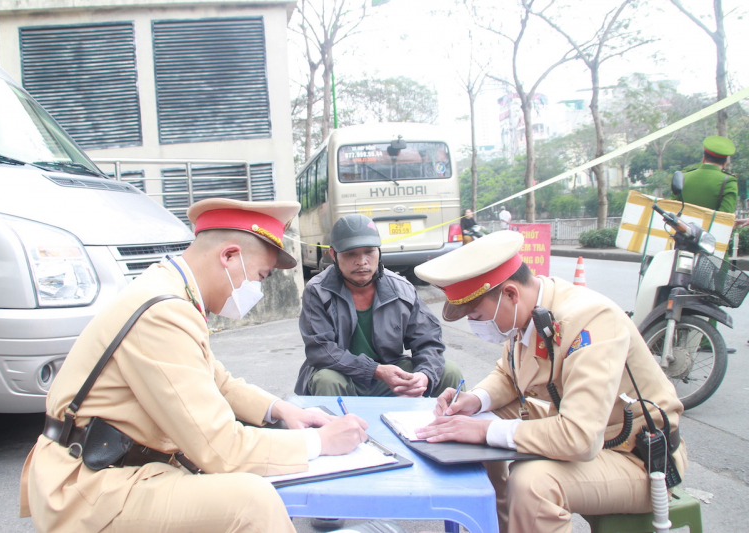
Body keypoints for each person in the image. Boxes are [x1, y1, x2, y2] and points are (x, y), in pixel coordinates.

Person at [20, 198, 369, 533]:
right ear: (230, 256)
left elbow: (218, 380)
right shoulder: (164, 312)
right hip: (91, 488)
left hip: (110, 465)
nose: (258, 291)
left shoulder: (169, 290)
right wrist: (319, 443)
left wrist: (280, 410)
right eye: (260, 277)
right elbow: (220, 448)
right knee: (252, 503)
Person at [413, 231, 687, 533]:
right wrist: (475, 401)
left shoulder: (591, 320)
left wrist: (486, 429)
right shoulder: (529, 312)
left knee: (532, 484)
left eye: (477, 314)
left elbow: (579, 437)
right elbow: (509, 374)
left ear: (510, 294)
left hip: (637, 458)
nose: (476, 325)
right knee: (472, 422)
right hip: (597, 441)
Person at [295, 213, 464, 397]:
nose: (361, 261)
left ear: (379, 251)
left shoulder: (402, 289)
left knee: (449, 372)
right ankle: (333, 426)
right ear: (333, 254)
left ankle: (454, 424)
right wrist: (376, 370)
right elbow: (321, 350)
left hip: (390, 375)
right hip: (344, 375)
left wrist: (424, 375)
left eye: (369, 251)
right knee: (327, 380)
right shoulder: (317, 291)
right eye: (350, 253)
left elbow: (429, 341)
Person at [673, 135, 738, 213]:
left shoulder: (682, 177)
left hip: (679, 225)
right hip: (709, 225)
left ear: (703, 158)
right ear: (725, 163)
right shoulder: (728, 181)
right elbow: (725, 216)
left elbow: (670, 208)